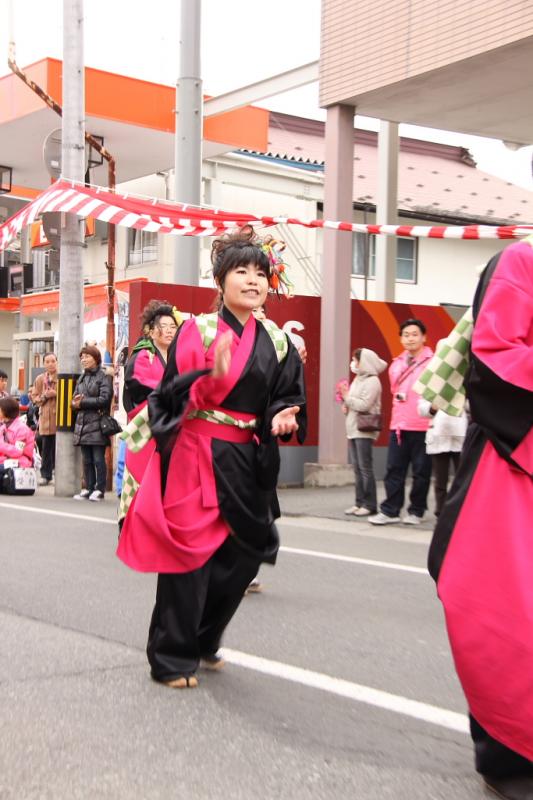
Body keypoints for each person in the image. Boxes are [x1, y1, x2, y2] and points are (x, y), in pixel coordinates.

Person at [117, 226, 306, 689]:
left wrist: (284, 414)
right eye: (241, 271)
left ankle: (203, 638)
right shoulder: (196, 330)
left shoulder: (277, 341)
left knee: (245, 555)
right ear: (220, 280)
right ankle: (171, 656)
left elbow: (286, 394)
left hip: (245, 458)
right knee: (189, 558)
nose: (252, 280)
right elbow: (171, 396)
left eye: (261, 273)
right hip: (195, 451)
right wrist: (211, 374)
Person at [428, 242, 533, 800]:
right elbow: (495, 360)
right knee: (505, 609)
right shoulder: (521, 262)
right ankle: (509, 753)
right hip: (515, 454)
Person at [118, 302, 181, 517]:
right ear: (151, 331)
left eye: (173, 326)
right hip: (149, 425)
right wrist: (168, 395)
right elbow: (137, 384)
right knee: (142, 477)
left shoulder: (176, 356)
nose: (170, 330)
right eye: (165, 326)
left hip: (170, 425)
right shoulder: (145, 354)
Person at [369, 319, 433, 526]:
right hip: (399, 425)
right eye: (406, 334)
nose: (410, 338)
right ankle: (390, 510)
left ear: (423, 337)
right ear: (401, 338)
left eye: (415, 334)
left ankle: (416, 511)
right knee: (394, 469)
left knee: (421, 472)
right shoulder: (397, 363)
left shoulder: (433, 362)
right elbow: (395, 392)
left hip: (423, 425)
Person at [341, 348, 387, 517]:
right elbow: (354, 403)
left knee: (365, 468)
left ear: (364, 362)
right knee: (357, 468)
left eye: (356, 360)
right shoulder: (358, 379)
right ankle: (359, 502)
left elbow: (364, 405)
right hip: (353, 428)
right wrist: (346, 404)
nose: (353, 363)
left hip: (364, 430)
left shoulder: (373, 381)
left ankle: (370, 504)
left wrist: (347, 397)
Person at [417, 376, 468, 517]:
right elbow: (421, 410)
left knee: (462, 478)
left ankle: (461, 511)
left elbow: (472, 407)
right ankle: (441, 512)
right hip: (438, 436)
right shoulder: (432, 383)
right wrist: (433, 406)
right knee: (440, 479)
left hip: (459, 435)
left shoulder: (463, 382)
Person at [71, 345, 113, 502]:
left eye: (87, 356)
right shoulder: (82, 377)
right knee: (86, 459)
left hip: (97, 423)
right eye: (82, 357)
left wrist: (82, 402)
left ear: (96, 358)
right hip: (82, 423)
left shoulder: (103, 377)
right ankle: (88, 487)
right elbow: (74, 399)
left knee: (98, 458)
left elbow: (105, 399)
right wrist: (75, 403)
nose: (84, 359)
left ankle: (99, 489)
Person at [31, 352, 58, 486]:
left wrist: (56, 394)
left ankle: (57, 473)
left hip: (59, 418)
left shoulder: (61, 377)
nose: (50, 364)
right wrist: (45, 397)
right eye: (47, 362)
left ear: (57, 362)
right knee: (46, 447)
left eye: (53, 361)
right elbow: (35, 398)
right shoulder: (41, 379)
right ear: (44, 364)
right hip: (45, 418)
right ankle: (45, 475)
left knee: (58, 447)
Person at [0, 396, 35, 487]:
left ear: (6, 411)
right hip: (6, 461)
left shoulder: (22, 429)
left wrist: (1, 445)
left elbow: (17, 451)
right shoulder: (3, 428)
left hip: (20, 462)